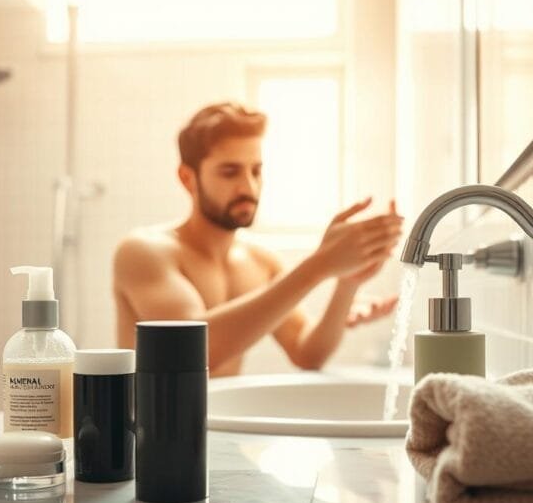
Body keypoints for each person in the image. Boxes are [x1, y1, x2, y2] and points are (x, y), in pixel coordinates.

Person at [112, 102, 403, 377]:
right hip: (155, 428)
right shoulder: (143, 251)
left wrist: (346, 283)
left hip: (220, 425)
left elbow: (307, 352)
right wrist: (320, 264)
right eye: (230, 172)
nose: (248, 186)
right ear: (188, 178)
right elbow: (192, 352)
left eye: (256, 170)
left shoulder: (260, 261)